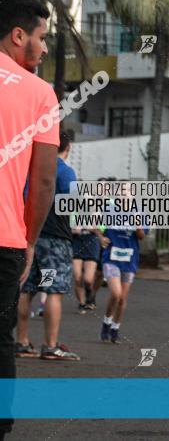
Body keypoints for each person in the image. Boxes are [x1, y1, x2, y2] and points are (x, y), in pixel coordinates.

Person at [0, 0, 59, 439]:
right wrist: (30, 241)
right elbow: (42, 183)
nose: (43, 48)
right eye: (41, 38)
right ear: (18, 36)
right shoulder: (41, 95)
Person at [16, 130, 80, 360]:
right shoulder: (65, 171)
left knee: (27, 289)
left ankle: (21, 342)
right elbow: (73, 205)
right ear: (68, 147)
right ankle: (51, 345)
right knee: (52, 289)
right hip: (55, 242)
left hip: (31, 238)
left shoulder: (31, 168)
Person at [99, 181, 147, 344]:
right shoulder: (109, 210)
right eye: (121, 191)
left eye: (127, 191)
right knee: (116, 293)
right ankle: (106, 322)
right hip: (111, 258)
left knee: (122, 299)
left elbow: (141, 236)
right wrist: (101, 237)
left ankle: (114, 328)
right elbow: (93, 224)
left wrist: (138, 225)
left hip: (129, 260)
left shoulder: (140, 211)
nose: (124, 194)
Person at [72, 222, 105, 313]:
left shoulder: (96, 212)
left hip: (92, 243)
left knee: (88, 279)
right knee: (77, 277)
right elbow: (66, 226)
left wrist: (92, 228)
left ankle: (90, 294)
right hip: (76, 243)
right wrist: (73, 230)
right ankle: (81, 303)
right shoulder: (74, 211)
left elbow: (102, 228)